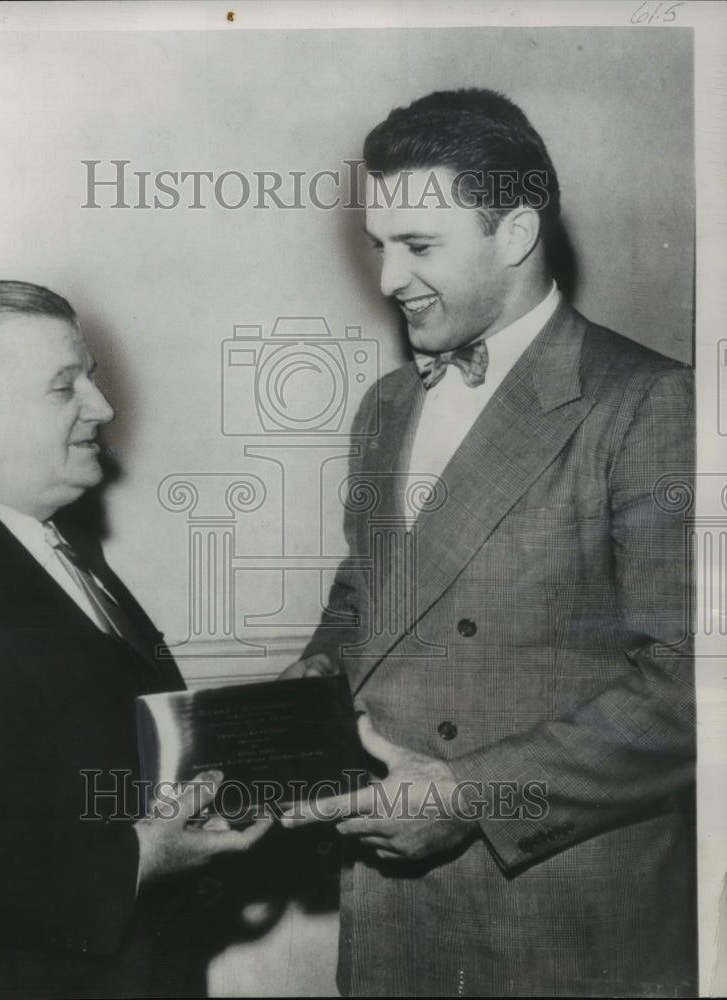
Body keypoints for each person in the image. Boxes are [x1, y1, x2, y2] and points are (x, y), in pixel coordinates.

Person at [282, 89, 696, 996]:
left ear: (512, 232)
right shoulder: (386, 407)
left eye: (418, 245)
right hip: (394, 917)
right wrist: (307, 694)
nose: (388, 279)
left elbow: (692, 687)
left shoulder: (651, 404)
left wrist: (471, 795)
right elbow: (365, 597)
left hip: (564, 921)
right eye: (378, 246)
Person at [0, 280, 269, 1000]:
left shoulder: (50, 545)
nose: (102, 406)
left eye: (91, 378)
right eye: (65, 386)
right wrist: (133, 858)